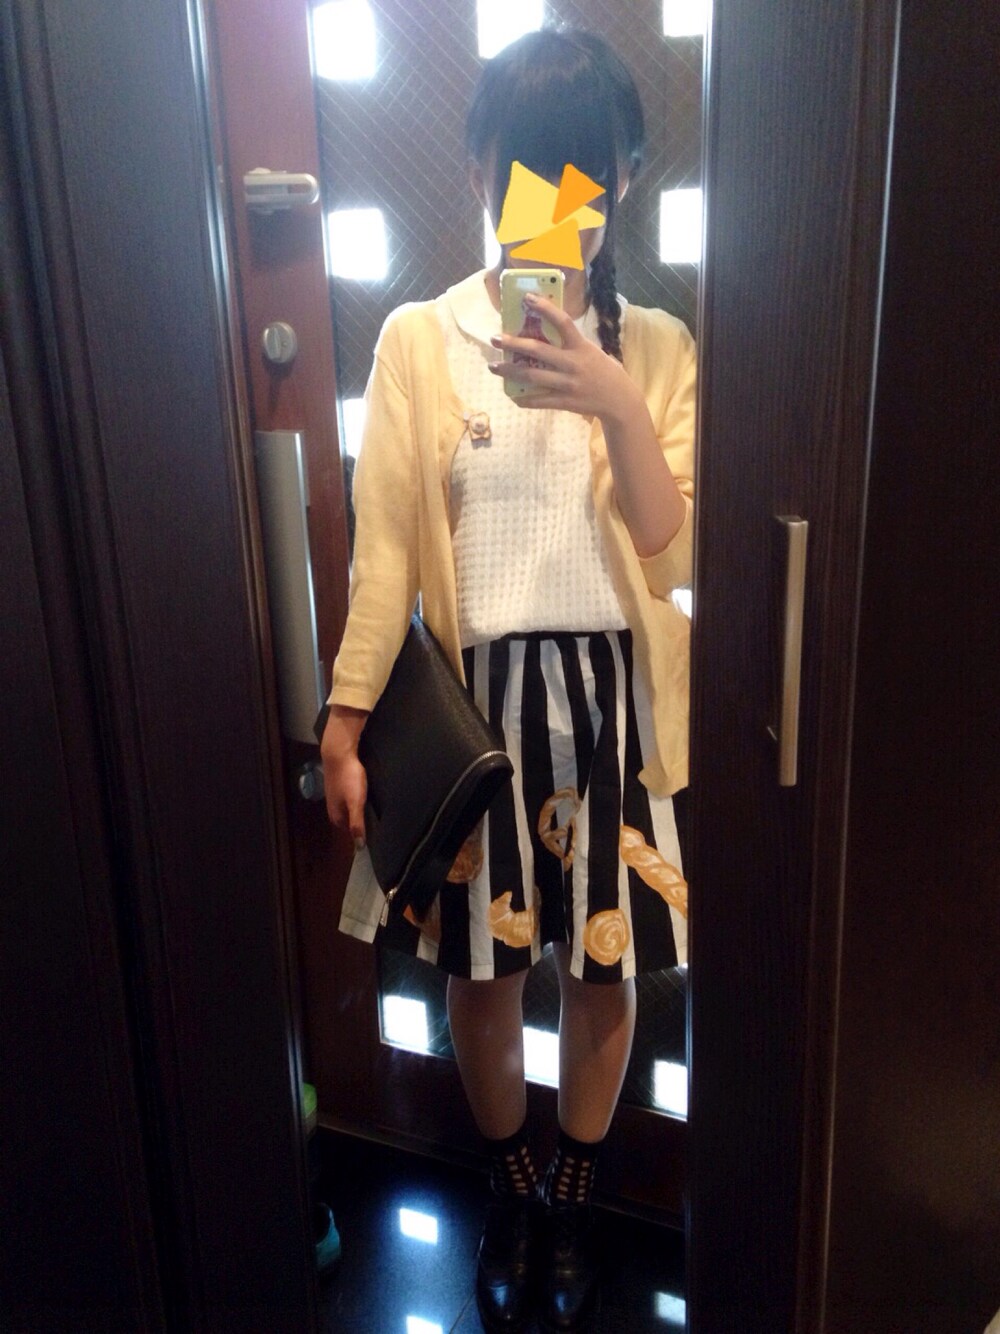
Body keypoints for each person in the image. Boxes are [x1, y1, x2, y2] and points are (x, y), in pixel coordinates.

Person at [320, 27, 694, 1333]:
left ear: (621, 180)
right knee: (478, 976)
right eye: (525, 168)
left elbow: (671, 544)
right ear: (479, 164)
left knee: (605, 969)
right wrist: (346, 720)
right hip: (477, 714)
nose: (551, 201)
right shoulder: (421, 340)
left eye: (580, 175)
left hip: (612, 707)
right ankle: (512, 1185)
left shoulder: (657, 347)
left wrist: (614, 400)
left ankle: (572, 1199)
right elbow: (382, 554)